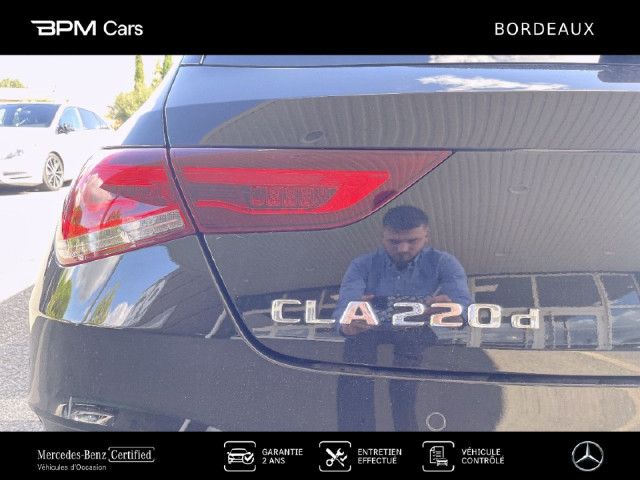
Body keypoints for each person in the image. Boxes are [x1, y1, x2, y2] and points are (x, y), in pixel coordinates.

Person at [334, 205, 471, 430]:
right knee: (355, 386)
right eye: (394, 242)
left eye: (412, 241)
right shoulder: (361, 265)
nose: (403, 249)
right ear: (383, 237)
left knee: (407, 395)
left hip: (414, 338)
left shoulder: (444, 262)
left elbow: (463, 305)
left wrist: (454, 313)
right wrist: (347, 324)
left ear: (426, 236)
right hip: (368, 336)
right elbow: (344, 307)